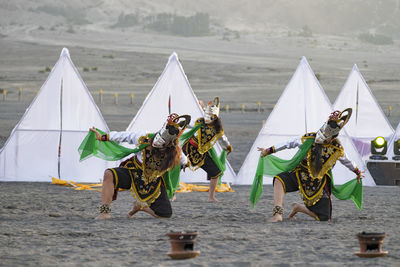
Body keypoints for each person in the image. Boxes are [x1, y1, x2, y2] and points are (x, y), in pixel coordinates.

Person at [257, 108, 363, 222]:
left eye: (328, 133)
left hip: (318, 182)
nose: (324, 133)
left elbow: (347, 161)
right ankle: (278, 214)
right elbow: (289, 143)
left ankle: (299, 208)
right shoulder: (308, 139)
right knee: (279, 180)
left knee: (324, 217)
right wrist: (269, 150)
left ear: (333, 137)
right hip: (300, 173)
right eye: (325, 129)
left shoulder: (336, 149)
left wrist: (357, 172)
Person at [91, 113, 190, 220]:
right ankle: (104, 212)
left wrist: (184, 165)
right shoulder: (144, 137)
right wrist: (103, 137)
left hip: (153, 182)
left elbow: (184, 162)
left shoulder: (175, 152)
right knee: (109, 174)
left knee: (165, 214)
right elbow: (124, 136)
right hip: (133, 173)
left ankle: (140, 207)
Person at [181, 97, 233, 202]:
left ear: (215, 118)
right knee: (173, 168)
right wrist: (182, 123)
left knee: (216, 173)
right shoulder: (201, 121)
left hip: (198, 152)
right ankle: (171, 194)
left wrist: (228, 147)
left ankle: (211, 197)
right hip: (189, 149)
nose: (207, 118)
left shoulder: (217, 130)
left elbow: (223, 140)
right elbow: (192, 124)